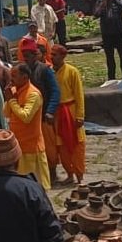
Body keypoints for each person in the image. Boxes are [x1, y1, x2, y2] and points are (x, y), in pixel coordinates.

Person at [4, 63, 50, 190]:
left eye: (14, 75)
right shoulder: (14, 91)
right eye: (11, 75)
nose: (11, 78)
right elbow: (6, 113)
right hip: (18, 145)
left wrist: (12, 100)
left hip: (32, 146)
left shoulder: (33, 94)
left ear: (25, 77)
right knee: (20, 185)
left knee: (36, 185)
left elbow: (26, 117)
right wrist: (9, 98)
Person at [20, 40, 61, 186]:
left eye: (29, 55)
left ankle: (52, 172)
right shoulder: (21, 70)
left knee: (48, 147)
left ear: (35, 55)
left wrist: (50, 111)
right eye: (24, 55)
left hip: (43, 116)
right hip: (27, 116)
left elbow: (55, 91)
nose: (26, 58)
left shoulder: (44, 70)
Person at [51, 45, 86, 185]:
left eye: (55, 55)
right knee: (61, 145)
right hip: (57, 114)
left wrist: (80, 116)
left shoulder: (72, 72)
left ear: (63, 56)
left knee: (77, 143)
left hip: (70, 111)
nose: (52, 57)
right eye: (51, 54)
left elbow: (79, 95)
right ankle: (69, 173)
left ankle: (79, 175)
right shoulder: (50, 72)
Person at [93, 0, 122, 81]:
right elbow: (96, 14)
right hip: (107, 33)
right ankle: (111, 76)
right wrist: (103, 4)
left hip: (119, 32)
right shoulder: (100, 1)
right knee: (109, 56)